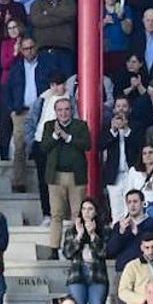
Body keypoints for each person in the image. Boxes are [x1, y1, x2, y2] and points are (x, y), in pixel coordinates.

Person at [40, 97, 90, 254]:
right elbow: (44, 147)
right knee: (56, 214)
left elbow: (87, 145)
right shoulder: (49, 126)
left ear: (71, 110)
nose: (63, 113)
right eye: (60, 110)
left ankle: (78, 246)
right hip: (55, 176)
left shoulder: (80, 126)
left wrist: (68, 137)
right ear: (55, 112)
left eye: (66, 109)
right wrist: (56, 136)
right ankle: (54, 248)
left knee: (78, 214)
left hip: (76, 176)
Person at [61, 197, 109, 304]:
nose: (86, 212)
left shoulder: (104, 230)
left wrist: (93, 235)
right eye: (84, 209)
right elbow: (67, 253)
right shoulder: (72, 230)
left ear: (96, 212)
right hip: (77, 274)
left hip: (97, 275)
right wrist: (79, 235)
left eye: (90, 209)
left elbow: (104, 252)